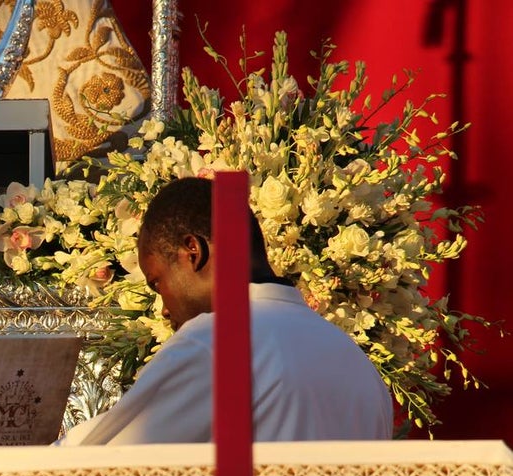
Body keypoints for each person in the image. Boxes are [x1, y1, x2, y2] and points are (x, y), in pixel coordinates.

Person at [58, 176, 394, 445]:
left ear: (193, 251)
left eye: (158, 283)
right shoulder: (353, 358)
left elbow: (97, 465)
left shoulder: (214, 343)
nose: (162, 310)